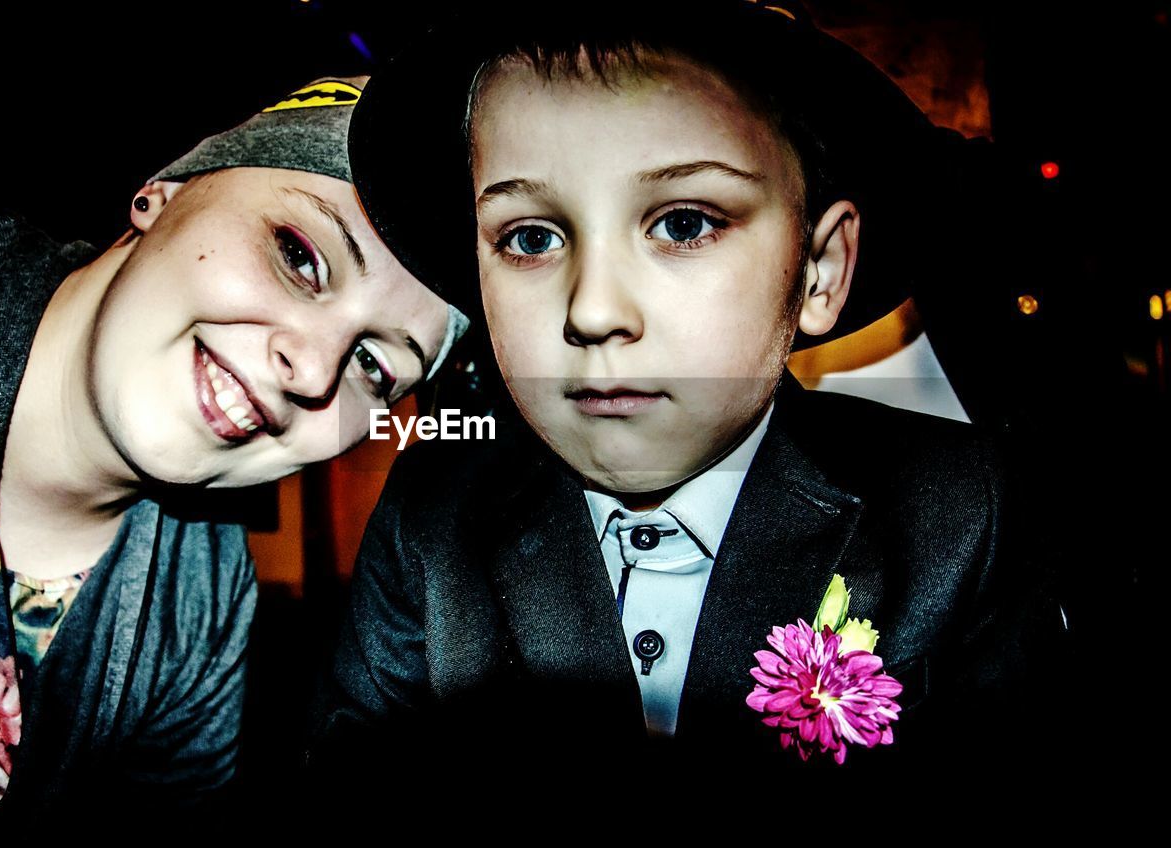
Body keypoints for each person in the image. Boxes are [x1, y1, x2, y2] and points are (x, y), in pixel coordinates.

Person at [308, 2, 1078, 790]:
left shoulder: (959, 511)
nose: (594, 309)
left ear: (817, 271)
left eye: (682, 224)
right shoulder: (434, 516)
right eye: (530, 238)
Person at [0, 75, 470, 823]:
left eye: (374, 367)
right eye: (299, 254)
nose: (316, 367)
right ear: (160, 195)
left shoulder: (203, 600)